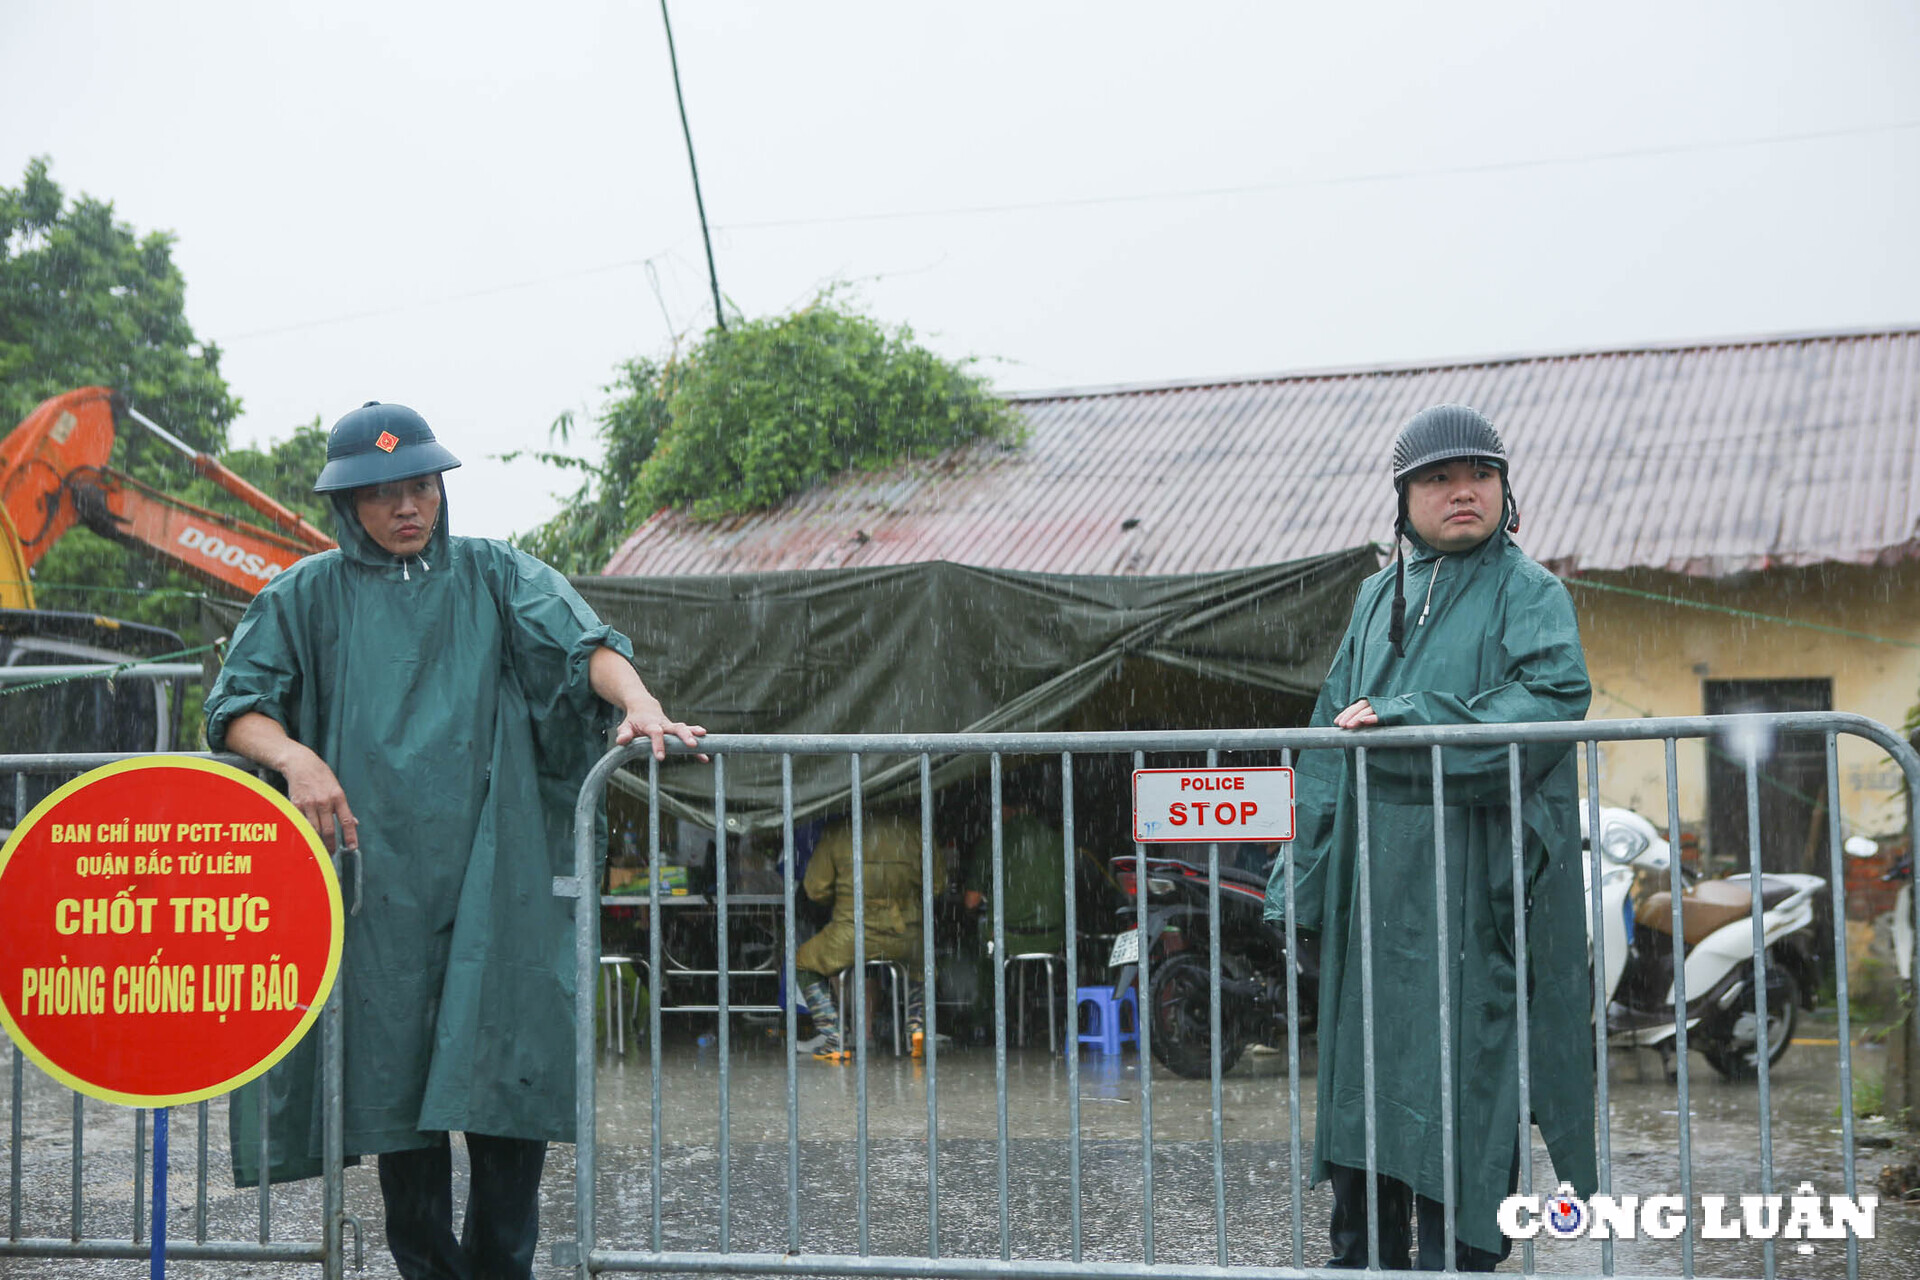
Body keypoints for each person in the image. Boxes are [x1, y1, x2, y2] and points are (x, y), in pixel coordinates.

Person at [204, 401, 704, 1280]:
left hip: (494, 879)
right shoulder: (304, 596)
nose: (410, 507)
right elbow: (236, 707)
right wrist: (294, 757)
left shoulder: (493, 574)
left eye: (424, 487)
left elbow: (583, 641)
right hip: (378, 893)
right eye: (386, 492)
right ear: (347, 504)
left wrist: (637, 702)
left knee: (506, 1090)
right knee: (402, 1116)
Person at [1265, 404, 1596, 1271]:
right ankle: (1363, 1260)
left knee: (1465, 1096)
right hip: (1368, 897)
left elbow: (1552, 702)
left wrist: (1415, 724)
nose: (1462, 492)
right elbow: (1327, 744)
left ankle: (1459, 1264)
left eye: (1479, 475)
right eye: (1439, 478)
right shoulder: (1375, 598)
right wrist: (1298, 886)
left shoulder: (1531, 593)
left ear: (1505, 490)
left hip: (1467, 895)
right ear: (1404, 498)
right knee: (1363, 1099)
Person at [793, 810, 944, 1061]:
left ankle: (834, 1037)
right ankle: (916, 1027)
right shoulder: (914, 830)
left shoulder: (838, 832)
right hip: (906, 932)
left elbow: (815, 889)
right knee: (922, 965)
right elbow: (937, 885)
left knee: (802, 961)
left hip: (851, 933)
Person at [963, 791, 1068, 1028]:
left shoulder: (994, 840)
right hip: (1054, 937)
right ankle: (1045, 1016)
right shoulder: (1057, 840)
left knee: (983, 949)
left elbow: (971, 901)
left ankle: (987, 1023)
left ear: (1005, 808)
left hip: (1007, 939)